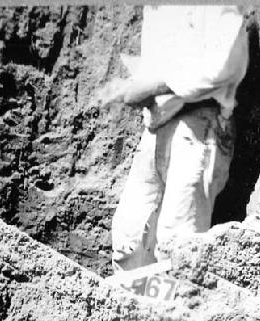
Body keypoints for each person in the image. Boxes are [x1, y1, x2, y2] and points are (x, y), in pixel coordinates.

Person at [98, 5, 249, 272]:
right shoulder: (156, 8)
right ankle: (133, 311)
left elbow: (226, 63)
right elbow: (166, 61)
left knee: (176, 246)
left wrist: (157, 84)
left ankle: (166, 313)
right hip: (157, 127)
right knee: (128, 240)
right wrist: (131, 86)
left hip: (201, 123)